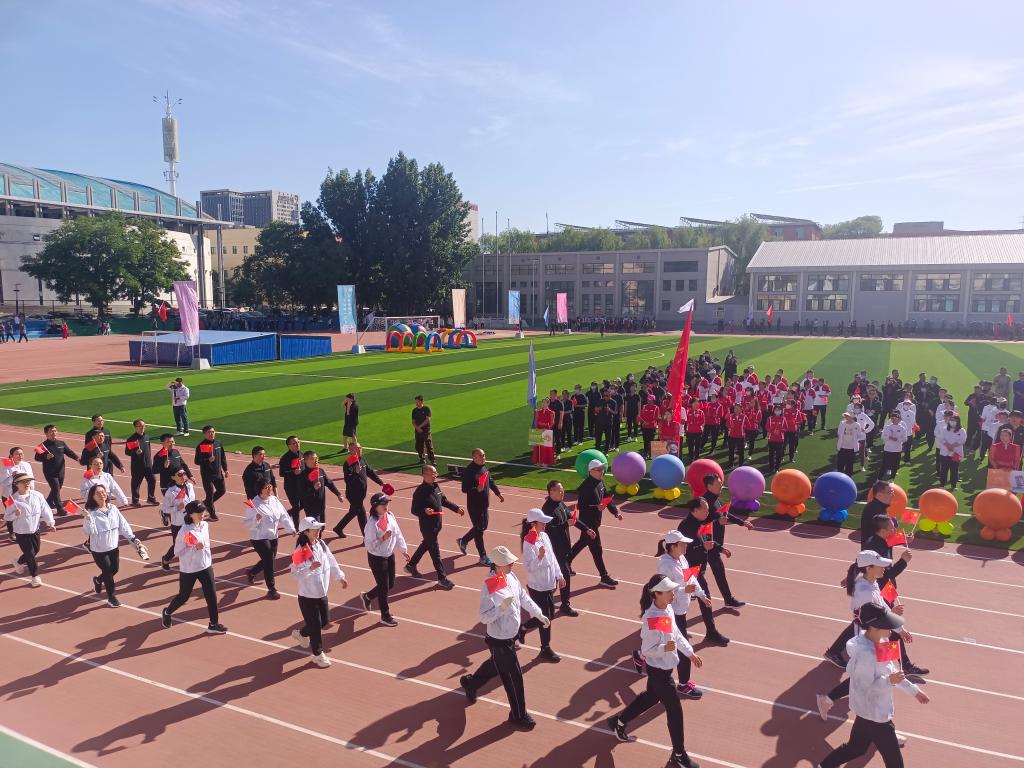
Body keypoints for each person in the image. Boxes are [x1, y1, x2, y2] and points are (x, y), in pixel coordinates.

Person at [606, 575, 702, 768]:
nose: (673, 593)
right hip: (659, 672)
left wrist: (690, 653)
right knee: (675, 711)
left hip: (664, 669)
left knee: (650, 697)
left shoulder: (667, 609)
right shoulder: (651, 619)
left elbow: (676, 634)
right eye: (669, 591)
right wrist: (664, 648)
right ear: (657, 594)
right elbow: (647, 650)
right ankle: (679, 754)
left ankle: (619, 721)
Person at [817, 603, 929, 768]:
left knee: (856, 748)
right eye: (887, 624)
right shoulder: (866, 655)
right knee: (894, 763)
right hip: (876, 715)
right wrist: (889, 681)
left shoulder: (882, 641)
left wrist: (915, 691)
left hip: (868, 711)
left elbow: (892, 672)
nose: (891, 628)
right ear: (874, 627)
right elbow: (865, 688)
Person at [459, 545, 549, 731]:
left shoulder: (511, 577)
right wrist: (501, 609)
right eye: (508, 562)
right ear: (498, 564)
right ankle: (518, 714)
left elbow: (523, 597)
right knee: (513, 677)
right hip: (499, 640)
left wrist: (538, 613)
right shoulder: (490, 585)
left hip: (510, 635)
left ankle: (470, 683)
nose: (512, 564)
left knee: (495, 665)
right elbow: (484, 617)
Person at [632, 531, 711, 699]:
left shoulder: (682, 558)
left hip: (680, 609)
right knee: (676, 642)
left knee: (662, 639)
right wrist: (684, 590)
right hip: (670, 611)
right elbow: (665, 590)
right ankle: (683, 684)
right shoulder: (665, 566)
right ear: (673, 546)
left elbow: (691, 578)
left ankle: (641, 655)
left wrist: (702, 595)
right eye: (682, 543)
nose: (686, 545)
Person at [161, 501, 227, 635]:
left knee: (211, 595)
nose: (202, 514)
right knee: (183, 597)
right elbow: (178, 551)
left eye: (203, 511)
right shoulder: (185, 531)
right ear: (191, 514)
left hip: (205, 566)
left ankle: (213, 624)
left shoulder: (205, 525)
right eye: (199, 512)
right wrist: (194, 548)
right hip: (189, 569)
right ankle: (167, 612)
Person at [289, 516, 347, 667]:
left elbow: (331, 561)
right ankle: (318, 654)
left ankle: (301, 634)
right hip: (308, 596)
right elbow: (294, 574)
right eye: (315, 529)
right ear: (305, 532)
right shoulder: (302, 551)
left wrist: (340, 577)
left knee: (324, 621)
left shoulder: (321, 544)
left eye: (319, 528)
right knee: (315, 627)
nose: (318, 530)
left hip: (321, 593)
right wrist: (310, 568)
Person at [675, 497, 730, 645]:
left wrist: (720, 548)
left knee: (687, 600)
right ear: (695, 510)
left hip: (698, 568)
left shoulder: (698, 522)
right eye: (704, 509)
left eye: (708, 509)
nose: (707, 512)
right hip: (691, 570)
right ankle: (710, 632)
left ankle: (677, 631)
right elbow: (684, 550)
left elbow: (706, 539)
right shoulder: (686, 527)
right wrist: (702, 547)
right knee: (701, 599)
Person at [82, 484, 147, 607]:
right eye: (98, 493)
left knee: (114, 569)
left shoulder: (113, 509)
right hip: (99, 550)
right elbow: (88, 532)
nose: (102, 494)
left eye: (103, 492)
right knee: (107, 572)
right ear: (93, 497)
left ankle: (98, 580)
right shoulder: (91, 513)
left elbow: (123, 525)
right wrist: (88, 519)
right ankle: (111, 597)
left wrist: (132, 538)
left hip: (113, 546)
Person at [517, 508, 564, 662]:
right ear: (533, 523)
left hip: (550, 584)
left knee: (549, 615)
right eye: (542, 522)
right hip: (537, 587)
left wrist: (559, 575)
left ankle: (523, 628)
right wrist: (540, 557)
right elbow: (529, 567)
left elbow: (553, 558)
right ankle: (545, 648)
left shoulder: (544, 536)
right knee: (545, 618)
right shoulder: (528, 542)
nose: (545, 524)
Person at [406, 464, 464, 589]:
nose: (435, 475)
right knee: (435, 553)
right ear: (424, 475)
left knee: (426, 544)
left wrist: (456, 508)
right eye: (432, 473)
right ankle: (442, 578)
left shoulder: (436, 486)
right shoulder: (420, 491)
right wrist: (424, 511)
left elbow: (443, 501)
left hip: (437, 525)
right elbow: (414, 509)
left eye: (436, 473)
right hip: (427, 527)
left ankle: (411, 565)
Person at [567, 459, 623, 588]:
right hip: (588, 524)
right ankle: (604, 577)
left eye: (603, 469)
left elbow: (606, 498)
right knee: (597, 550)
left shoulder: (600, 482)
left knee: (582, 543)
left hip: (595, 522)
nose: (602, 472)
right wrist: (596, 507)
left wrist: (615, 512)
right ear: (591, 471)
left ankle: (565, 562)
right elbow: (581, 506)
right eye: (599, 470)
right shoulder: (586, 487)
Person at [703, 473, 752, 608]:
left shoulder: (714, 499)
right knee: (718, 572)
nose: (721, 485)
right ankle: (728, 600)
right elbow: (700, 523)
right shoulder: (705, 502)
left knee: (697, 571)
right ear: (709, 486)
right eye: (718, 483)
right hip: (709, 544)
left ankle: (690, 591)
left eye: (721, 482)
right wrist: (716, 522)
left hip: (714, 543)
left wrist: (742, 522)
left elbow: (724, 514)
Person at [360, 492, 409, 627]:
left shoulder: (390, 516)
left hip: (389, 554)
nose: (386, 505)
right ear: (375, 506)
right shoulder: (372, 524)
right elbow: (369, 545)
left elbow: (398, 533)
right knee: (383, 587)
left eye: (387, 503)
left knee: (390, 584)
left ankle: (367, 596)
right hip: (377, 558)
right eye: (383, 503)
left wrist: (404, 550)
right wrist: (382, 538)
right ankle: (385, 615)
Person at [243, 479, 295, 599]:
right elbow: (247, 523)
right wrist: (256, 519)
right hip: (259, 537)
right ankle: (271, 589)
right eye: (266, 487)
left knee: (269, 559)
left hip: (273, 536)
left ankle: (252, 572)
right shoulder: (253, 504)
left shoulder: (274, 500)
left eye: (269, 486)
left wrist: (291, 528)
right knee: (269, 561)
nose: (269, 489)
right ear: (260, 490)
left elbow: (283, 515)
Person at [458, 448, 504, 565]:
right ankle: (483, 556)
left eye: (484, 455)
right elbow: (464, 489)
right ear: (473, 457)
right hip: (474, 505)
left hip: (484, 503)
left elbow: (490, 480)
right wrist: (476, 489)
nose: (483, 457)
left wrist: (498, 493)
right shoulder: (469, 471)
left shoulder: (484, 467)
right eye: (480, 456)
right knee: (479, 529)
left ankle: (463, 540)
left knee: (483, 527)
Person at [8, 473, 55, 586]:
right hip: (21, 531)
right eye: (23, 481)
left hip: (35, 529)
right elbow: (7, 517)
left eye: (28, 481)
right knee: (30, 553)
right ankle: (35, 576)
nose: (27, 483)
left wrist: (50, 522)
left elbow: (45, 509)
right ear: (17, 484)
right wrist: (15, 514)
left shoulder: (37, 495)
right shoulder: (12, 499)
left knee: (36, 550)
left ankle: (18, 562)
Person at [541, 480, 579, 617]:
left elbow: (571, 518)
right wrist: (565, 524)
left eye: (562, 489)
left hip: (564, 548)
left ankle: (544, 601)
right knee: (564, 575)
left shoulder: (561, 504)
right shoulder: (547, 510)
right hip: (555, 550)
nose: (562, 492)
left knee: (555, 578)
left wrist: (587, 529)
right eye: (559, 490)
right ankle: (565, 605)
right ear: (551, 492)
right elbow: (550, 530)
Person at [333, 442, 384, 539]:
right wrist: (356, 473)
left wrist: (381, 483)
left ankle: (338, 528)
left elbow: (370, 472)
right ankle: (367, 537)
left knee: (353, 512)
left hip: (361, 493)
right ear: (351, 450)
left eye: (360, 448)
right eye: (357, 448)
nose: (360, 449)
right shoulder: (348, 464)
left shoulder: (362, 459)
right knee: (361, 514)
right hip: (353, 495)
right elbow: (347, 480)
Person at [36, 425, 79, 513]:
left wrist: (77, 458)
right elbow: (36, 457)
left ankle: (48, 502)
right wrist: (46, 457)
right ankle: (60, 509)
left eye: (55, 431)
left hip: (61, 470)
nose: (54, 433)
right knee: (56, 488)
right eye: (51, 431)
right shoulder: (42, 446)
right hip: (49, 472)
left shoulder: (61, 443)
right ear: (46, 433)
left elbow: (69, 452)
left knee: (58, 488)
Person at [159, 468, 196, 570]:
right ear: (173, 477)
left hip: (190, 522)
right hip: (178, 524)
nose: (183, 476)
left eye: (184, 473)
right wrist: (177, 508)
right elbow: (165, 509)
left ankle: (190, 565)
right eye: (180, 474)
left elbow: (192, 501)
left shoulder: (190, 486)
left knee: (191, 543)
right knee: (178, 546)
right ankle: (166, 559)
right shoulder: (170, 492)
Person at [194, 425, 227, 522]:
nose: (212, 434)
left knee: (222, 490)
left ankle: (206, 503)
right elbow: (197, 461)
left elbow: (223, 457)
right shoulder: (201, 446)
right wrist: (208, 459)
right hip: (207, 474)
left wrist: (225, 469)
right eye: (209, 432)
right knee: (210, 494)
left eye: (213, 431)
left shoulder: (218, 444)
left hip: (218, 473)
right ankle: (212, 514)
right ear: (204, 434)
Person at [299, 452, 343, 524]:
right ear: (306, 461)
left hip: (321, 506)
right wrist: (313, 488)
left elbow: (329, 483)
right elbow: (301, 494)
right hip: (311, 508)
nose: (316, 460)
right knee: (315, 527)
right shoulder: (303, 475)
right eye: (313, 458)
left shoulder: (320, 471)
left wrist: (338, 494)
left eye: (316, 458)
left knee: (321, 527)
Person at [123, 419, 157, 507]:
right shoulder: (131, 439)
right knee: (136, 483)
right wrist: (135, 452)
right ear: (135, 427)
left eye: (144, 425)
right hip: (137, 465)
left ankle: (151, 498)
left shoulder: (146, 436)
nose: (143, 427)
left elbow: (148, 449)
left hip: (148, 464)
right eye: (140, 426)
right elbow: (127, 452)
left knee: (152, 480)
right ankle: (135, 501)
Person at [278, 435, 305, 527]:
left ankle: (286, 515)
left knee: (303, 504)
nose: (297, 444)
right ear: (289, 446)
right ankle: (297, 528)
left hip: (301, 485)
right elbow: (282, 473)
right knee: (296, 507)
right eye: (294, 443)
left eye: (298, 442)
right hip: (291, 487)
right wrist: (293, 472)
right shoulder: (285, 458)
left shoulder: (301, 454)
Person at [936, 415, 967, 489]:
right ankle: (942, 484)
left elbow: (963, 440)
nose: (952, 422)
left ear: (958, 421)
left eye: (954, 420)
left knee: (954, 470)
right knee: (944, 469)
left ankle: (953, 485)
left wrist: (953, 445)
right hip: (945, 453)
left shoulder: (961, 430)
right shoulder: (944, 429)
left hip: (955, 454)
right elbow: (941, 438)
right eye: (951, 420)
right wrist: (948, 445)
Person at [878, 412, 908, 480]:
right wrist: (889, 437)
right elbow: (882, 437)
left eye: (895, 418)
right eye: (892, 418)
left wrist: (897, 439)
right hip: (887, 449)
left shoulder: (902, 428)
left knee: (895, 465)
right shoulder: (887, 427)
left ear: (899, 419)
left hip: (897, 450)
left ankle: (892, 479)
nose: (893, 420)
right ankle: (879, 479)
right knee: (884, 465)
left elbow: (905, 439)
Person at [835, 412, 866, 476]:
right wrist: (837, 444)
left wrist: (857, 442)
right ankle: (839, 476)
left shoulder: (857, 425)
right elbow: (839, 434)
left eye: (847, 416)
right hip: (842, 446)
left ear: (852, 417)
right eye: (845, 416)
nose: (845, 417)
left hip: (851, 448)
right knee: (840, 463)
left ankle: (848, 476)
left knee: (849, 464)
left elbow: (859, 435)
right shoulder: (842, 423)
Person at [532, 397, 556, 467]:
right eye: (542, 402)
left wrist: (546, 429)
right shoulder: (538, 411)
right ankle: (537, 461)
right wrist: (536, 428)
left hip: (547, 431)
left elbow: (552, 423)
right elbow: (536, 421)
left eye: (545, 402)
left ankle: (545, 462)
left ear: (548, 404)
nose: (543, 404)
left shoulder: (551, 412)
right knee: (537, 447)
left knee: (545, 448)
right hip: (538, 430)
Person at [411, 395, 435, 464]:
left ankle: (432, 460)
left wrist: (420, 427)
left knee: (428, 444)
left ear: (421, 401)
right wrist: (417, 428)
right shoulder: (414, 410)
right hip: (418, 430)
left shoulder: (426, 408)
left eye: (417, 401)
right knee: (419, 445)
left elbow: (428, 419)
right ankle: (422, 458)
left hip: (426, 430)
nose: (416, 403)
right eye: (416, 401)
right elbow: (413, 421)